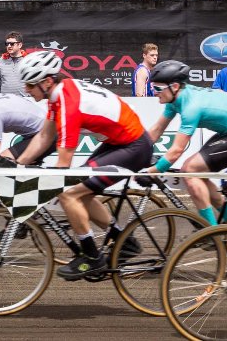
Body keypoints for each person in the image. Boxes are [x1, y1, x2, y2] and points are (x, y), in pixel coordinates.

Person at [13, 50, 152, 280]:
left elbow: (64, 161)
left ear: (47, 81)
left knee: (69, 193)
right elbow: (44, 137)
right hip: (118, 142)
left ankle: (91, 257)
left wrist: (40, 184)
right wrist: (17, 165)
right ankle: (124, 241)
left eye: (30, 84)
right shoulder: (58, 94)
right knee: (82, 193)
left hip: (132, 148)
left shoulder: (67, 102)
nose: (27, 90)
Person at [142, 61, 227, 226]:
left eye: (158, 88)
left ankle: (212, 233)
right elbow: (156, 130)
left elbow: (176, 150)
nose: (154, 92)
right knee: (199, 175)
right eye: (153, 88)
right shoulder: (175, 98)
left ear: (175, 86)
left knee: (190, 170)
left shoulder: (191, 107)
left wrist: (152, 172)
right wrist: (137, 152)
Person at [0, 32, 31, 97]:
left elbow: (32, 81)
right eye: (7, 44)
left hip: (24, 100)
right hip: (5, 101)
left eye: (12, 44)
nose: (9, 46)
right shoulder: (1, 60)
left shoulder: (28, 60)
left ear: (20, 45)